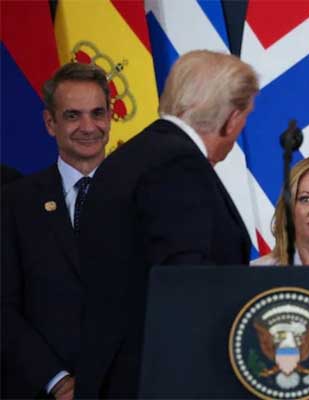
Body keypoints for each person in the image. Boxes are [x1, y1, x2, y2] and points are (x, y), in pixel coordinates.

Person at [74, 50, 257, 397]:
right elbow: (186, 283)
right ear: (231, 119)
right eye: (246, 117)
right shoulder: (177, 164)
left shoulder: (129, 157)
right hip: (163, 379)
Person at [1, 62, 111, 399]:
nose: (88, 127)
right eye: (73, 115)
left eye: (97, 113)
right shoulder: (13, 201)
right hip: (43, 389)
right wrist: (57, 381)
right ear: (50, 123)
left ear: (110, 117)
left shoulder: (144, 196)